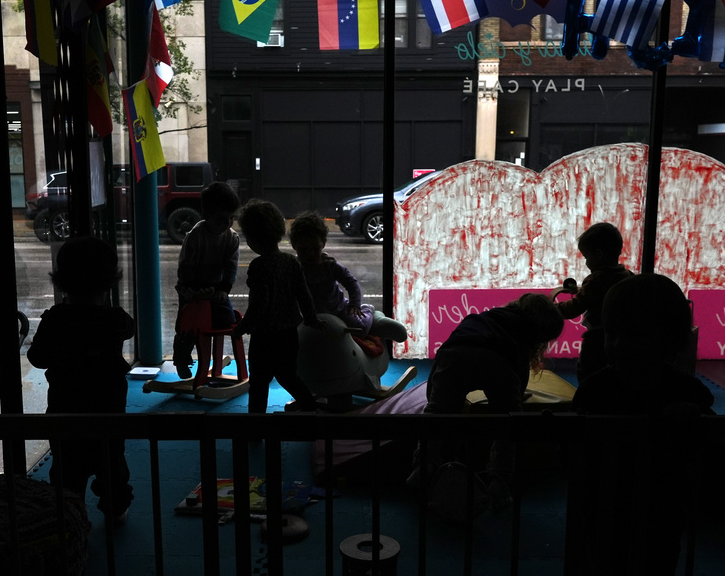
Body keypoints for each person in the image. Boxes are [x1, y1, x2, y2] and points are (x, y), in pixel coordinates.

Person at [569, 274, 715, 576]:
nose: (619, 344)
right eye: (612, 333)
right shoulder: (685, 391)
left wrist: (694, 418)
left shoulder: (596, 390)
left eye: (634, 335)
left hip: (657, 513)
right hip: (610, 513)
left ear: (669, 338)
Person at [407, 293, 564, 508]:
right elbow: (519, 375)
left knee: (436, 414)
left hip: (455, 353)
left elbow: (444, 354)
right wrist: (515, 397)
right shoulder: (523, 333)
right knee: (506, 424)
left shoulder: (486, 317)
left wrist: (433, 395)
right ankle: (499, 482)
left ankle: (422, 467)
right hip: (497, 361)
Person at [27, 235, 136, 524]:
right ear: (109, 281)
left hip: (66, 409)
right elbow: (129, 329)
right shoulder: (115, 319)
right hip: (108, 410)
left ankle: (68, 519)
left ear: (61, 280)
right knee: (112, 464)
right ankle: (116, 509)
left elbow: (38, 358)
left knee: (65, 470)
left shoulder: (55, 319)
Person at [230, 199, 325, 415]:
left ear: (252, 239)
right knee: (288, 376)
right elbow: (304, 295)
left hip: (264, 336)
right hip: (288, 333)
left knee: (259, 383)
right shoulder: (291, 262)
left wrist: (243, 327)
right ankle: (312, 410)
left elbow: (258, 304)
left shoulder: (259, 266)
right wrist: (311, 319)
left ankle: (257, 426)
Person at [288, 211, 407, 345]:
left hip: (339, 311)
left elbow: (351, 282)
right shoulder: (293, 268)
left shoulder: (330, 266)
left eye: (315, 248)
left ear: (323, 244)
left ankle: (368, 311)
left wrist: (354, 304)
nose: (310, 254)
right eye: (304, 249)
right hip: (309, 315)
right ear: (294, 246)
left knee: (361, 330)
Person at [172, 181, 241, 378]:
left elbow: (231, 268)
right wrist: (193, 292)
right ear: (207, 215)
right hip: (190, 288)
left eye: (231, 218)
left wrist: (223, 290)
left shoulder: (231, 238)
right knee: (187, 327)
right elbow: (185, 267)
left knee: (227, 320)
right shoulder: (195, 236)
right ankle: (182, 359)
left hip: (215, 288)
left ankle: (213, 359)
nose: (227, 223)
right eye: (222, 218)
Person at [554, 222, 633, 384]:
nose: (586, 262)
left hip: (596, 340)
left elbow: (574, 308)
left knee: (588, 375)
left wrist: (553, 308)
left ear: (598, 255)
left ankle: (585, 405)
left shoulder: (595, 280)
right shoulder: (628, 276)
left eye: (586, 257)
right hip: (623, 339)